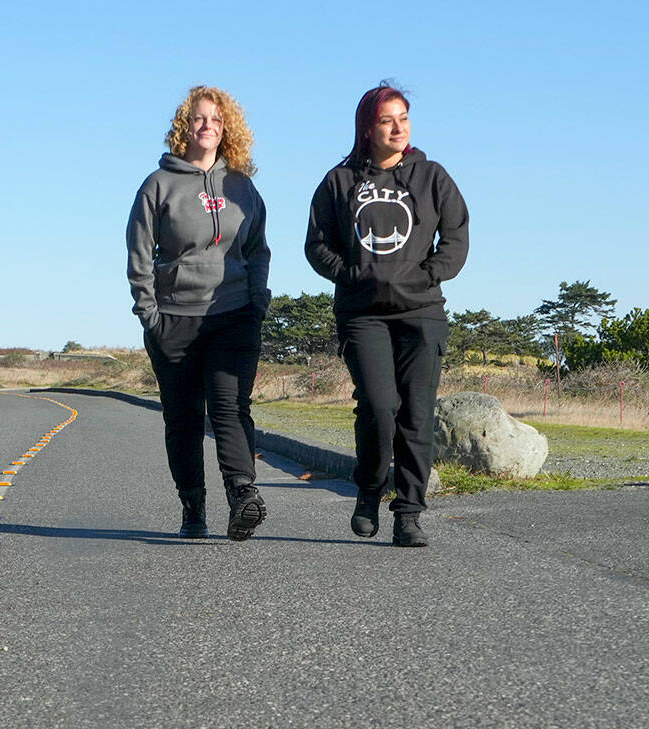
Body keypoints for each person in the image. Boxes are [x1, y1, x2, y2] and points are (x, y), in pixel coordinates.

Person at [304, 81, 469, 547]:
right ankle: (369, 488)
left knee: (416, 414)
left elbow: (456, 237)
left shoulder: (432, 176)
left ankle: (409, 513)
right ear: (367, 128)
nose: (398, 127)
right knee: (379, 408)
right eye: (386, 120)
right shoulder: (339, 182)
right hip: (363, 315)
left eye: (403, 118)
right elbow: (316, 245)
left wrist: (426, 277)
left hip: (422, 313)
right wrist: (352, 274)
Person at [127, 85, 271, 540]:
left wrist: (257, 300)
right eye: (199, 119)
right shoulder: (158, 185)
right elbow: (138, 254)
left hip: (232, 314)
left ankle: (242, 495)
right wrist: (150, 314)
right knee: (184, 417)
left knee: (229, 406)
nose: (207, 126)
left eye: (216, 119)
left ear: (226, 129)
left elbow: (258, 248)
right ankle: (193, 506)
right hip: (173, 319)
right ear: (184, 127)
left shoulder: (242, 188)